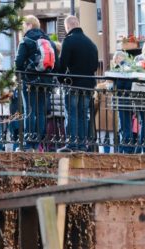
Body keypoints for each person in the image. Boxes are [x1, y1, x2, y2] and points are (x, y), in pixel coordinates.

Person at [15, 15, 58, 150]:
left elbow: (18, 62)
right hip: (46, 83)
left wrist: (21, 75)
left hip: (29, 82)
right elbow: (55, 63)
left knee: (29, 111)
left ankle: (28, 143)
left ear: (29, 25)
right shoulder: (49, 41)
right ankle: (38, 143)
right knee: (40, 113)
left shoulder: (26, 40)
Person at [56, 15, 98, 151]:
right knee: (82, 114)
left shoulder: (69, 41)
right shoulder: (91, 43)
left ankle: (72, 144)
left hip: (73, 84)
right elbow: (94, 66)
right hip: (88, 86)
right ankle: (82, 145)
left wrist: (61, 80)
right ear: (78, 24)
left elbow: (62, 65)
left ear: (67, 27)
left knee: (72, 114)